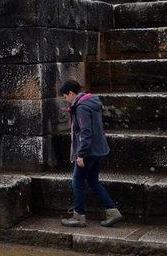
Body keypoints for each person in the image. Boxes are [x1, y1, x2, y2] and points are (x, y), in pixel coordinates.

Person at [59, 79, 123, 228]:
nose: (65, 99)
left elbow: (85, 132)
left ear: (71, 93)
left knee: (77, 182)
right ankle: (112, 211)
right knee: (93, 181)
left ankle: (79, 216)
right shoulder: (91, 102)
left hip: (88, 152)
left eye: (65, 96)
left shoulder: (81, 107)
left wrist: (80, 154)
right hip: (98, 150)